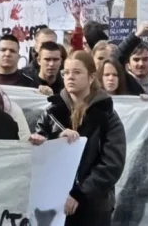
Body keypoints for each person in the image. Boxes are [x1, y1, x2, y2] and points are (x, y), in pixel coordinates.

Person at [30, 51, 126, 225]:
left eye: (77, 72)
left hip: (93, 208)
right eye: (66, 72)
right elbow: (37, 153)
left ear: (91, 77)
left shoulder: (107, 115)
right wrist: (55, 138)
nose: (70, 77)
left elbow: (112, 164)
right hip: (53, 204)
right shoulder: (51, 113)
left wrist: (80, 193)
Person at [112, 23, 148, 94]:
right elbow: (114, 59)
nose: (141, 64)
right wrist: (136, 35)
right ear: (128, 65)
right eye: (136, 60)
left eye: (145, 59)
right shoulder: (124, 83)